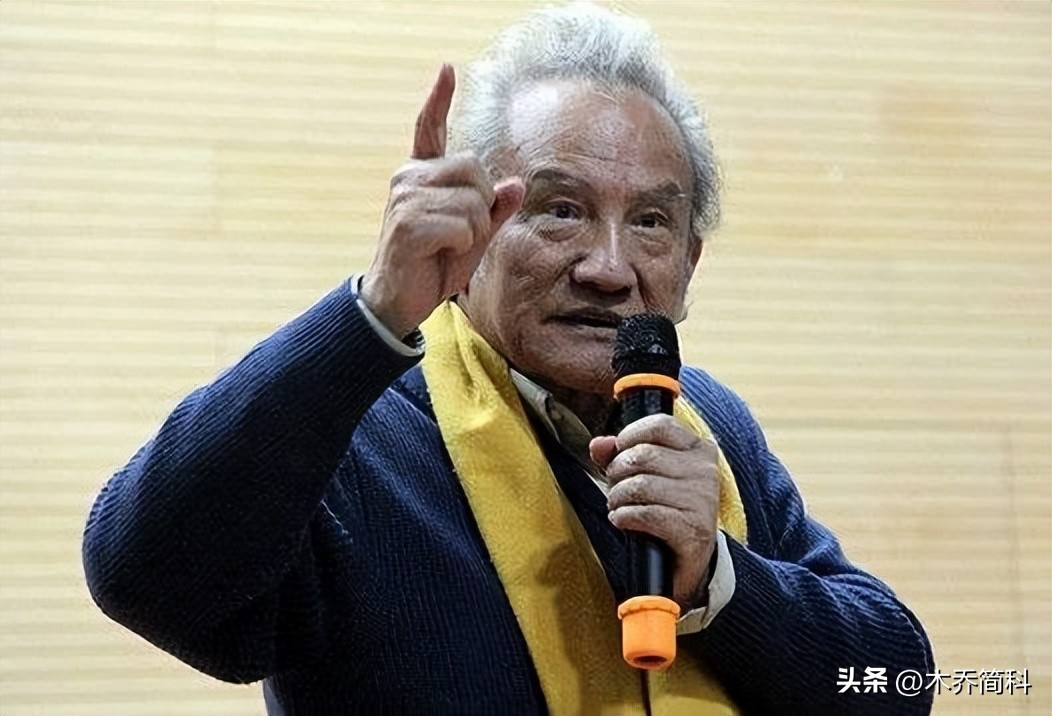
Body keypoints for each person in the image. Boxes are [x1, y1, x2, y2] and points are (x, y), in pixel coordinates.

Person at [82, 4, 934, 715]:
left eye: (650, 222)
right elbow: (143, 576)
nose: (609, 267)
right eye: (561, 209)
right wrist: (374, 314)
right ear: (477, 230)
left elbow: (898, 682)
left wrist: (720, 577)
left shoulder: (706, 426)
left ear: (689, 264)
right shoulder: (359, 427)